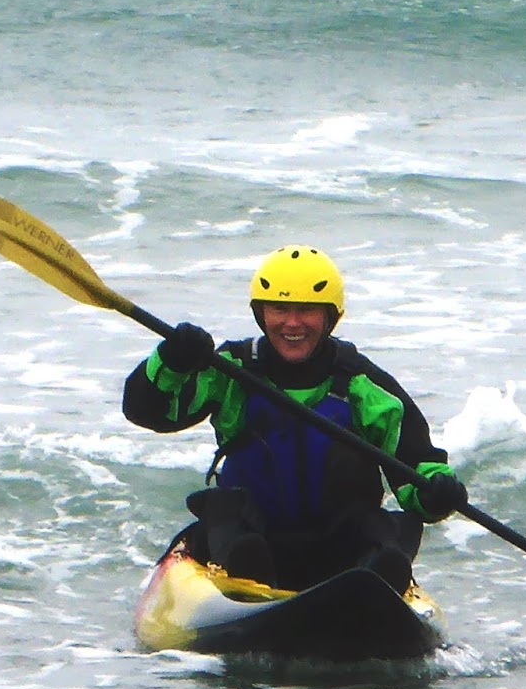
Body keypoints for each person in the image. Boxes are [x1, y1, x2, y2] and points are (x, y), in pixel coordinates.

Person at [122, 244, 468, 593]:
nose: (292, 323)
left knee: (384, 530)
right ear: (261, 313)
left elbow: (416, 468)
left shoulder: (363, 387)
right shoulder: (231, 371)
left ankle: (374, 583)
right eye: (280, 309)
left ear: (330, 317)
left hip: (339, 545)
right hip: (251, 540)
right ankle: (247, 584)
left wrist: (439, 490)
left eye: (306, 310)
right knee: (225, 510)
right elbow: (148, 411)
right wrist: (171, 361)